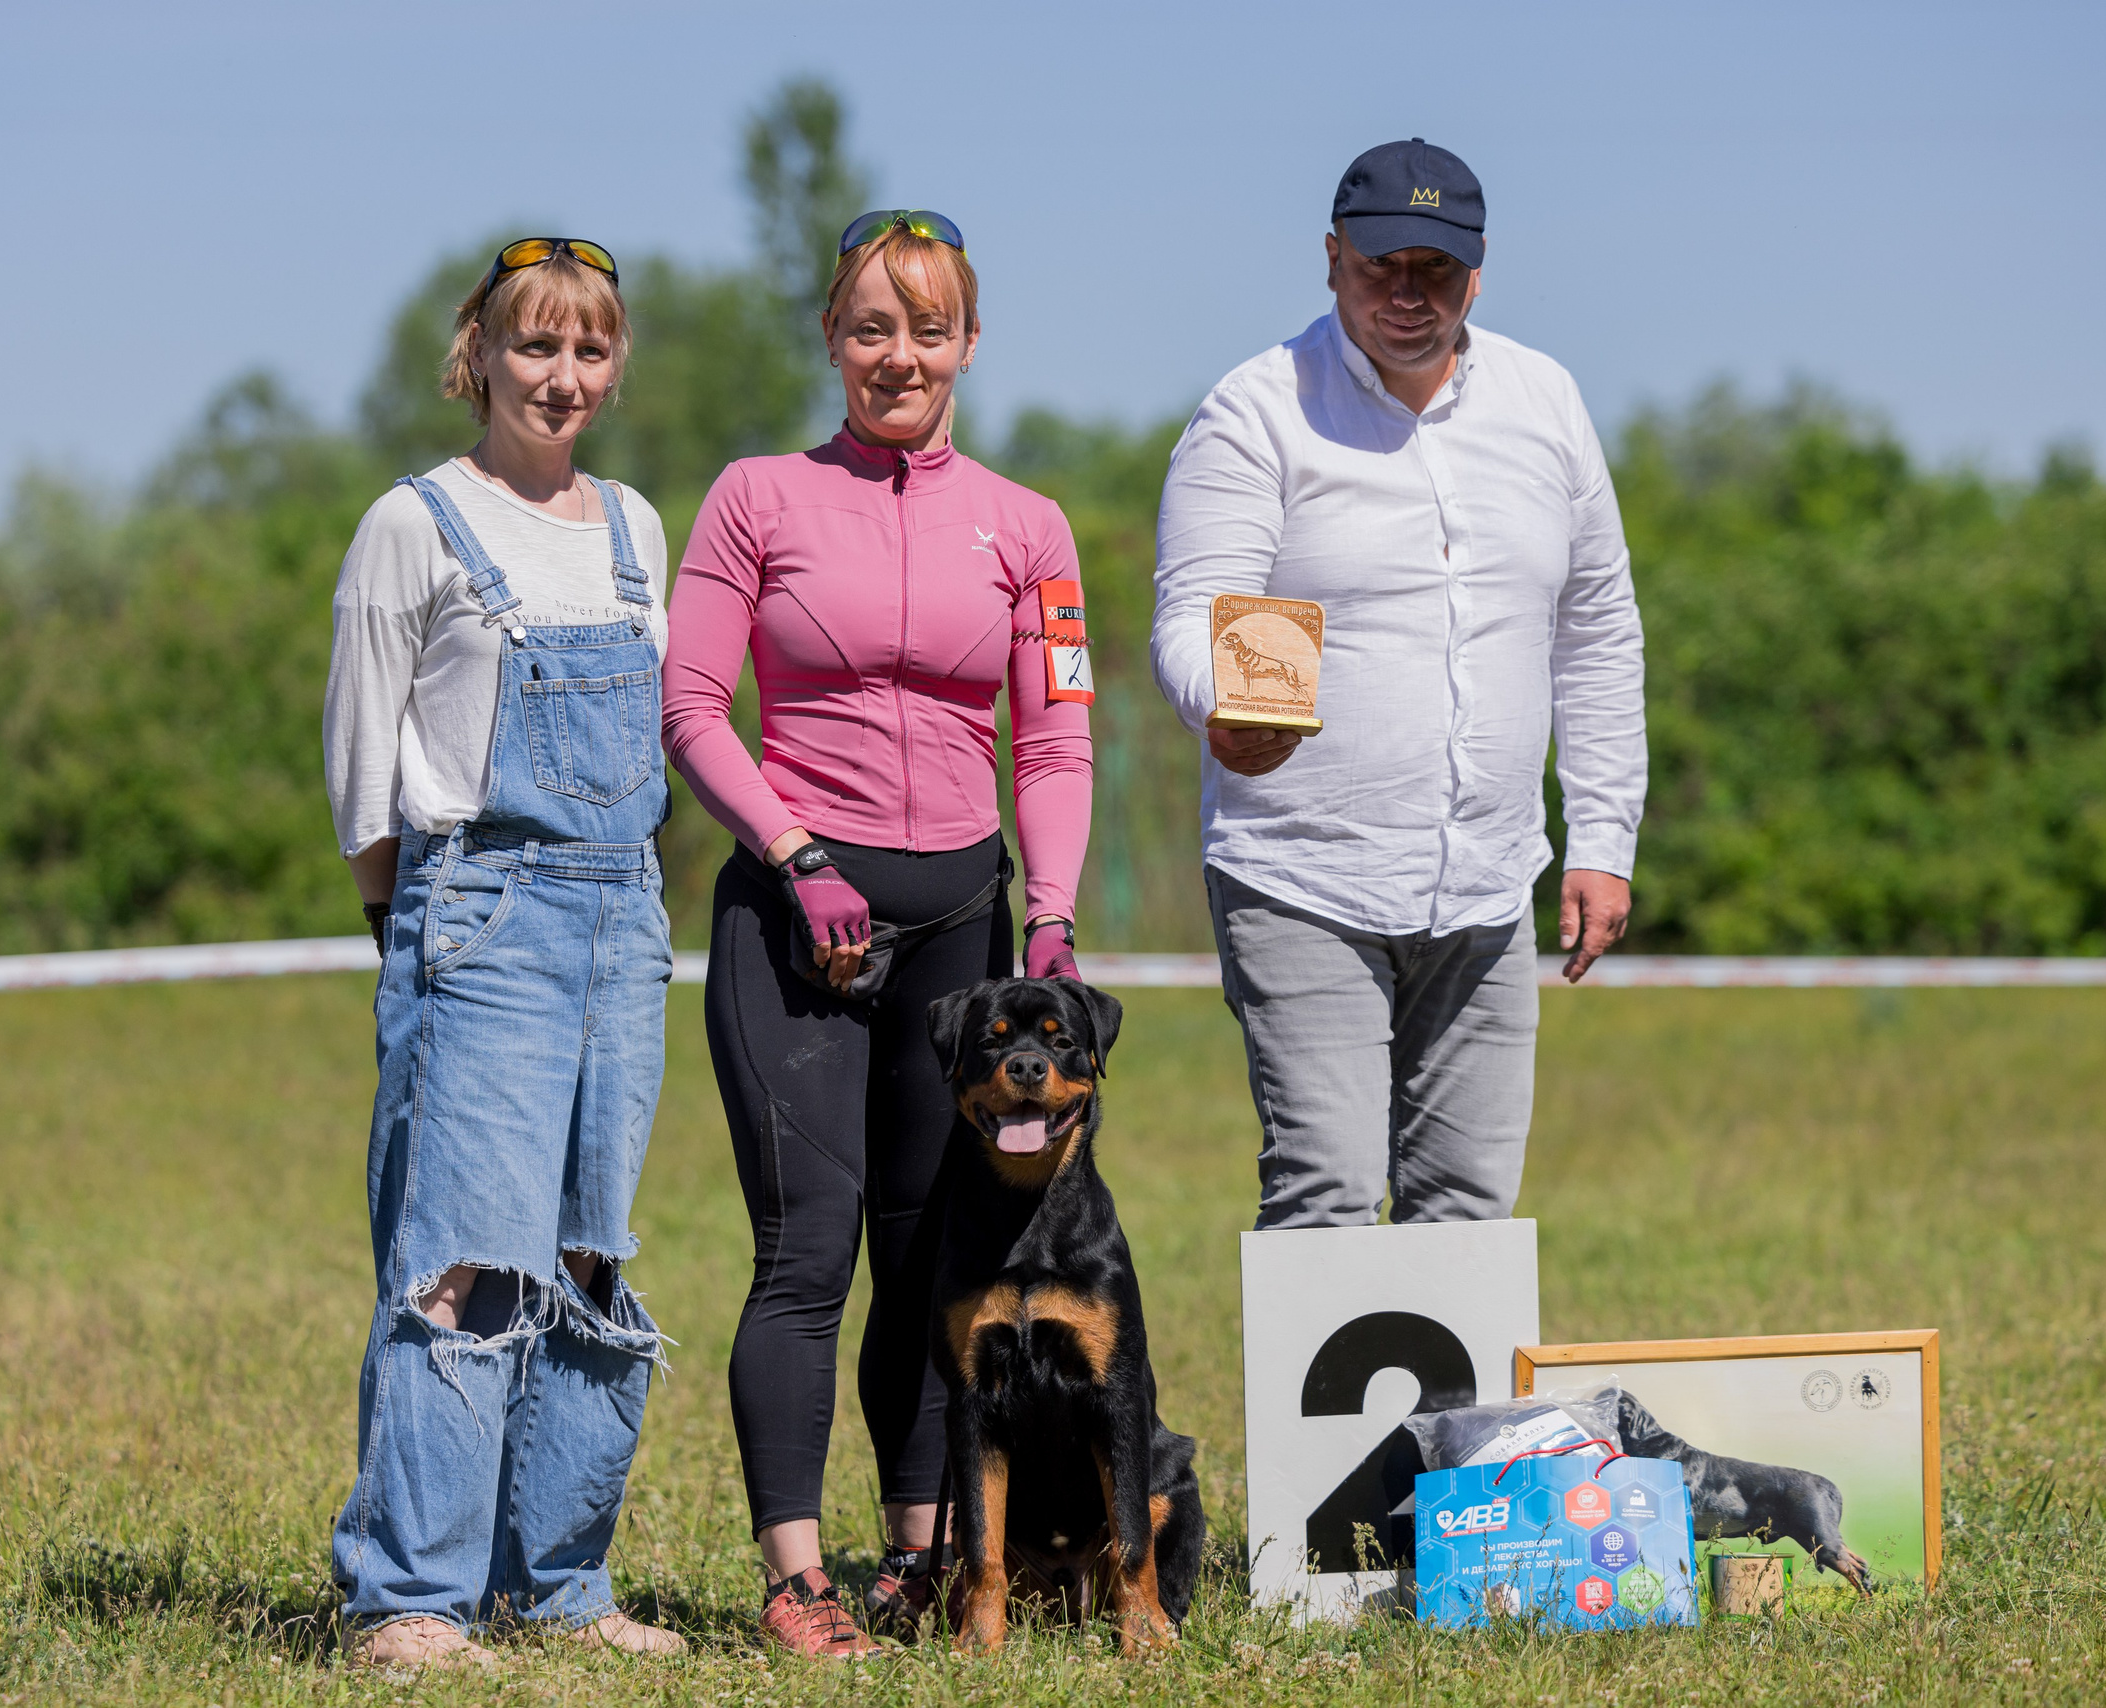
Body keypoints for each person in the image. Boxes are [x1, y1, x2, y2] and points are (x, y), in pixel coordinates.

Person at [662, 209, 1093, 1656]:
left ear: (971, 341)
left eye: (927, 327)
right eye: (869, 325)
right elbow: (689, 710)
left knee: (934, 1258)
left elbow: (1055, 745)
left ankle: (920, 1559)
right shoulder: (756, 498)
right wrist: (796, 854)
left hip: (963, 931)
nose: (896, 354)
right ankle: (797, 1582)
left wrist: (1055, 917)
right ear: (831, 337)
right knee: (809, 1254)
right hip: (795, 917)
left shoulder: (1029, 527)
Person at [1150, 139, 1647, 1233]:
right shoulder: (1255, 411)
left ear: (1479, 270)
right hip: (1300, 875)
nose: (1409, 293)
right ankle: (1322, 1419)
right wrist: (1220, 707)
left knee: (1466, 1206)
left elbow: (1598, 628)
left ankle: (1447, 1419)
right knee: (1325, 1190)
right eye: (1382, 266)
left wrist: (1602, 835)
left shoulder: (1546, 402)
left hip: (1486, 876)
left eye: (1437, 267)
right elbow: (1194, 611)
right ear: (1331, 259)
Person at [320, 238, 684, 1670]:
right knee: (461, 1264)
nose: (563, 376)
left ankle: (562, 1590)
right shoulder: (411, 525)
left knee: (589, 1258)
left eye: (590, 349)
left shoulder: (637, 527)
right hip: (477, 912)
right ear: (479, 351)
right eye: (536, 346)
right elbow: (364, 771)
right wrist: (410, 942)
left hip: (623, 917)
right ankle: (408, 1597)